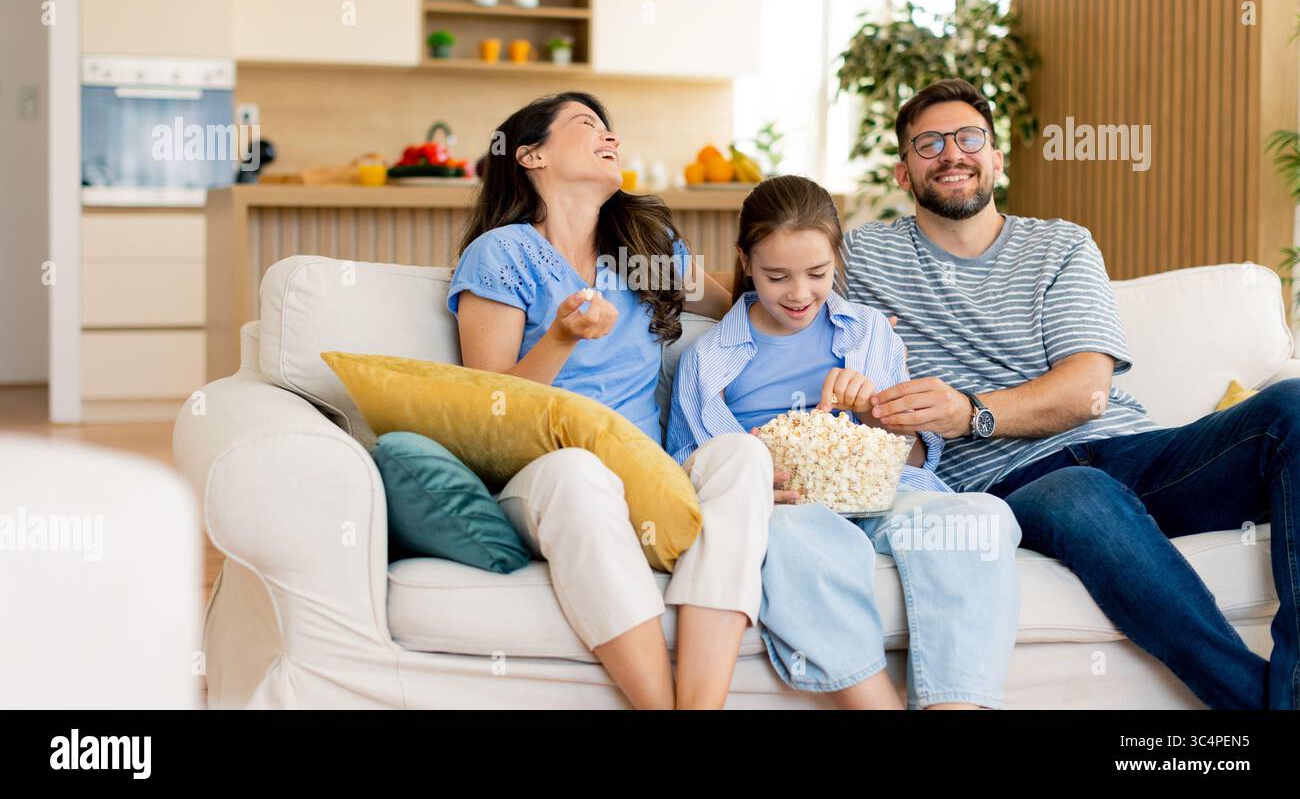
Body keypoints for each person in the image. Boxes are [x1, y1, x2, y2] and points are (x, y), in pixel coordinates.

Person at [843, 77, 1300, 709]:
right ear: (902, 171)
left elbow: (1087, 390)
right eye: (929, 143)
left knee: (1293, 407)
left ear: (996, 158)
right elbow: (766, 273)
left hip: (1139, 455)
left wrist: (969, 412)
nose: (952, 153)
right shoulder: (865, 255)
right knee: (1081, 492)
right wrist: (668, 266)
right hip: (1021, 485)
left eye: (969, 137)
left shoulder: (1059, 245)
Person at [446, 91, 776, 709]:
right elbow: (490, 406)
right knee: (579, 473)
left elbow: (739, 299)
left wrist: (835, 301)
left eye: (610, 130)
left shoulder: (641, 251)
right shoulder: (503, 253)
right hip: (543, 475)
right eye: (586, 125)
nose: (609, 137)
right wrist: (562, 336)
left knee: (741, 459)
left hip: (645, 474)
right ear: (531, 155)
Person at [668, 174, 1022, 708]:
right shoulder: (708, 359)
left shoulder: (869, 331)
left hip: (883, 492)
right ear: (744, 262)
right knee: (800, 540)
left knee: (979, 519)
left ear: (837, 257)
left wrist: (875, 411)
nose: (799, 294)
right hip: (785, 506)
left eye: (817, 273)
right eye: (776, 276)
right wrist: (749, 467)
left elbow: (919, 455)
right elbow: (684, 464)